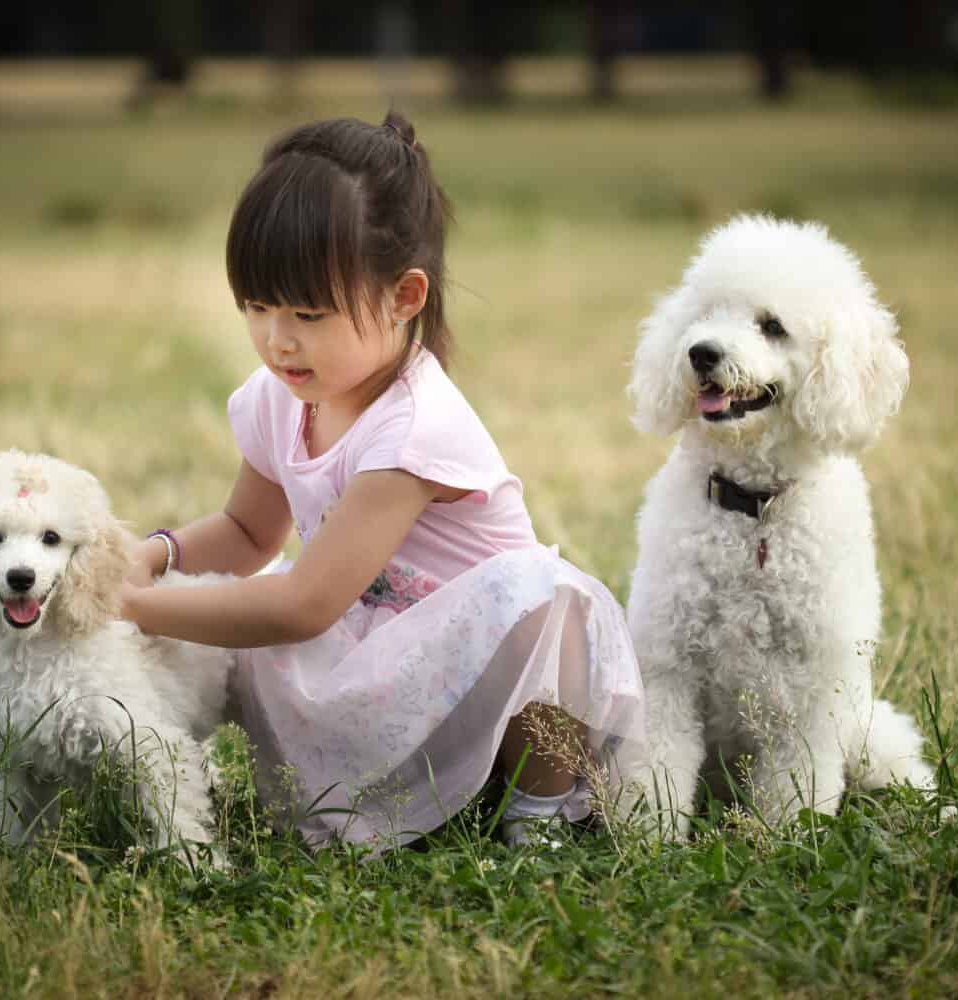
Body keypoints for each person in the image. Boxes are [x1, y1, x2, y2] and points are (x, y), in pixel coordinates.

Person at [120, 111, 645, 850]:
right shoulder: (283, 395)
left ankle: (542, 806)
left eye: (309, 312)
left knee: (541, 600)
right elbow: (246, 532)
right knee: (247, 603)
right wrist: (158, 556)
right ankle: (373, 796)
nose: (278, 340)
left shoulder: (413, 427)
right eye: (257, 307)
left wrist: (137, 609)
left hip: (485, 676)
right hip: (385, 662)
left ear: (404, 298)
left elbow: (305, 604)